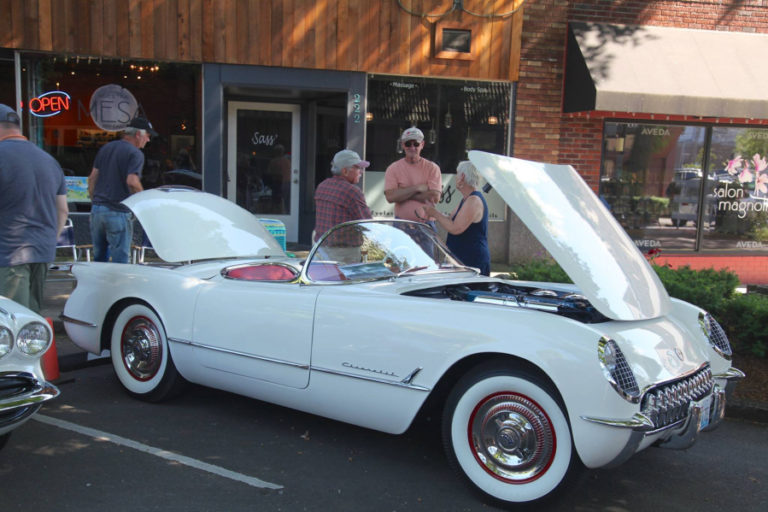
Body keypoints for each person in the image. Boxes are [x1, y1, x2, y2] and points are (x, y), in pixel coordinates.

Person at [0, 103, 68, 312]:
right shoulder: (49, 160)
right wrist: (50, 240)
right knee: (31, 319)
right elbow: (63, 210)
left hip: (9, 253)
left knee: (11, 320)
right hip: (42, 250)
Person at [88, 116, 157, 263]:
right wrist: (143, 203)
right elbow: (132, 181)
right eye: (148, 136)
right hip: (118, 211)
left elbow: (92, 177)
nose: (148, 140)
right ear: (138, 134)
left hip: (97, 210)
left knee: (99, 259)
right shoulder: (135, 153)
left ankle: (101, 286)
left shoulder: (106, 148)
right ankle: (119, 286)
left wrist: (95, 201)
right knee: (121, 261)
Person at [422, 161, 490, 276]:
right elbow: (450, 218)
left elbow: (455, 228)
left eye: (457, 174)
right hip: (461, 258)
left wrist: (435, 213)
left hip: (471, 260)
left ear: (462, 177)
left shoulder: (473, 200)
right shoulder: (466, 199)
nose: (456, 178)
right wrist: (432, 212)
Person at [384, 127, 442, 225]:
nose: (412, 147)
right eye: (408, 144)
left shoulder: (432, 168)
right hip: (401, 223)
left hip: (426, 223)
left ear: (422, 144)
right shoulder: (393, 168)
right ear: (402, 145)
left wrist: (402, 193)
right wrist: (418, 188)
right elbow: (390, 197)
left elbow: (435, 197)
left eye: (416, 144)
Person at [313, 149, 372, 243]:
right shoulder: (351, 191)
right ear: (345, 171)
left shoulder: (322, 186)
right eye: (357, 168)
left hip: (320, 247)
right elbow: (367, 223)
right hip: (343, 251)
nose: (361, 172)